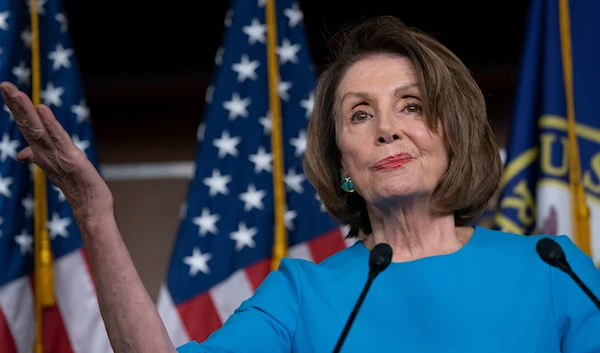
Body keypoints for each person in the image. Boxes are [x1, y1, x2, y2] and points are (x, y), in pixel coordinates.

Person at [1, 15, 599, 353]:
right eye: (360, 115)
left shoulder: (552, 269)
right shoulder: (303, 291)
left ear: (454, 134)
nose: (387, 129)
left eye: (411, 106)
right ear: (341, 160)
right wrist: (94, 213)